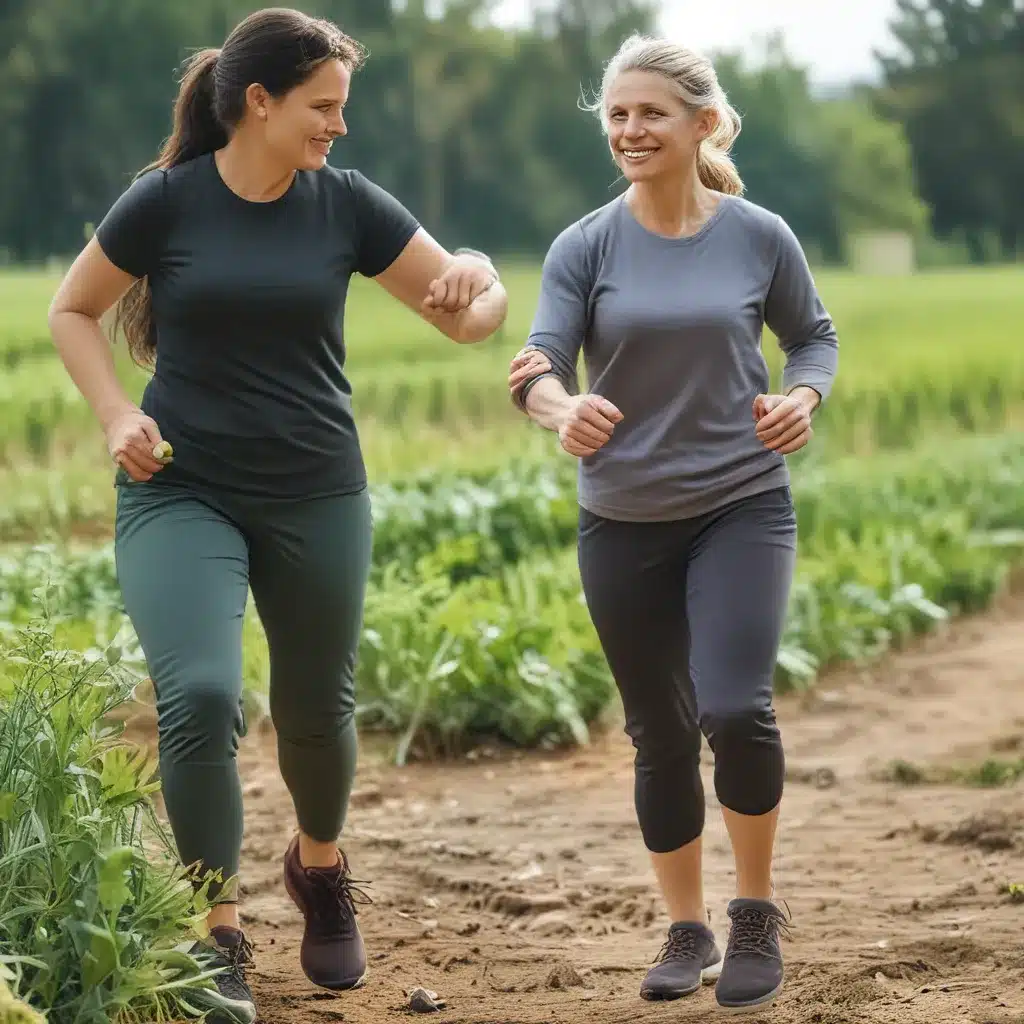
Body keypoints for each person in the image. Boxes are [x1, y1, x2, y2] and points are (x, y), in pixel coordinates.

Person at [47, 8, 507, 1022]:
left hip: (315, 488)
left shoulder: (345, 205)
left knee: (315, 711)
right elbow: (72, 309)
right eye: (323, 106)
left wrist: (482, 273)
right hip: (180, 487)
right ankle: (217, 931)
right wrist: (117, 409)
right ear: (260, 103)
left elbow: (466, 317)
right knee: (201, 696)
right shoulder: (163, 204)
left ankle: (320, 864)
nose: (339, 126)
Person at [507, 33, 838, 1015]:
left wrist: (803, 398)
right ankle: (686, 925)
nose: (628, 129)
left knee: (734, 706)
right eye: (615, 113)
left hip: (740, 503)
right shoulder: (585, 245)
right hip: (621, 519)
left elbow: (811, 336)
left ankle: (753, 911)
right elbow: (533, 362)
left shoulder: (758, 234)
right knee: (659, 730)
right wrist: (560, 410)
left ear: (704, 124)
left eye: (649, 112)